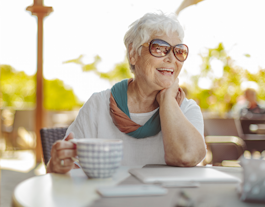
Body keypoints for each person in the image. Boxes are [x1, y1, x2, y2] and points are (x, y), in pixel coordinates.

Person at [46, 12, 207, 174]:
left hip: (169, 199)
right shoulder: (98, 105)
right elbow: (66, 170)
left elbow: (186, 157)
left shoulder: (187, 110)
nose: (172, 58)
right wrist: (58, 165)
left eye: (178, 51)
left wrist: (168, 100)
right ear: (133, 54)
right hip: (106, 198)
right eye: (159, 48)